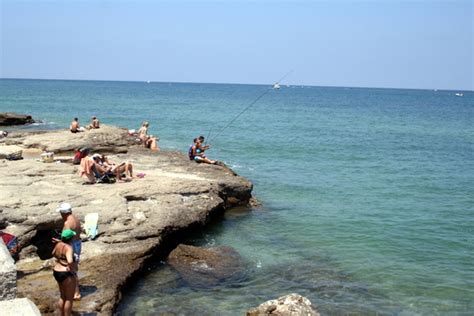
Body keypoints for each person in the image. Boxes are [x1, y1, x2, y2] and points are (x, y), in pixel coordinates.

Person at [56, 203, 82, 300]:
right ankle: (75, 291)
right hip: (78, 243)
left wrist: (59, 242)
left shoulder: (67, 223)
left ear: (63, 213)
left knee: (71, 269)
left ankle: (76, 293)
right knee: (74, 267)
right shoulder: (76, 218)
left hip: (72, 245)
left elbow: (67, 239)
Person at [52, 229, 77, 316]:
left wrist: (60, 259)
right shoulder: (69, 248)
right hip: (66, 273)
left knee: (62, 296)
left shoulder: (58, 244)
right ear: (71, 238)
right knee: (69, 298)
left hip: (56, 271)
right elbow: (70, 260)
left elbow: (53, 253)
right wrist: (69, 266)